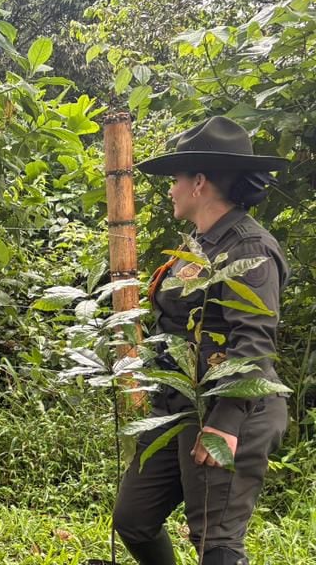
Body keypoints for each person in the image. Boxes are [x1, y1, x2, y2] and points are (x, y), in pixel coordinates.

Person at [114, 116, 289, 565]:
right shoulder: (201, 242)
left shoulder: (249, 250)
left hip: (229, 411)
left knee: (215, 541)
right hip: (177, 407)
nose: (170, 189)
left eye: (175, 179)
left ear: (199, 182)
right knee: (133, 518)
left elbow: (254, 341)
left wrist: (225, 423)